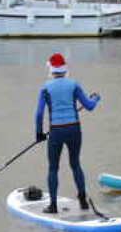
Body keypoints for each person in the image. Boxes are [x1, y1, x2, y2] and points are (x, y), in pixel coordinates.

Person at [34, 53, 101, 213]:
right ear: (65, 69)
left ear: (50, 69)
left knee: (53, 168)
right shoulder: (74, 84)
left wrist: (39, 134)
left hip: (56, 131)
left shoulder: (45, 88)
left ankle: (53, 206)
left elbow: (38, 114)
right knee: (75, 164)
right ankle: (83, 201)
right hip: (74, 129)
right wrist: (96, 98)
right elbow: (89, 106)